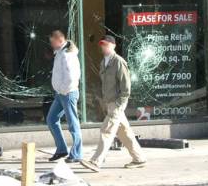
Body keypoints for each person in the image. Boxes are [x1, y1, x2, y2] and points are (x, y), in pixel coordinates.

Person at [80, 35, 146, 172]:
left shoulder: (118, 62)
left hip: (117, 104)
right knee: (124, 132)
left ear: (113, 46)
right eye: (102, 45)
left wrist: (119, 104)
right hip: (109, 103)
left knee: (107, 130)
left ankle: (96, 161)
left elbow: (126, 88)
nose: (104, 47)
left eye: (106, 44)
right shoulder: (103, 62)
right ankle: (139, 158)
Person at [46, 29, 83, 163]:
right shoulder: (60, 53)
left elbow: (72, 77)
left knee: (73, 124)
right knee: (51, 119)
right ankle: (62, 149)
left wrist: (63, 89)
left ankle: (77, 154)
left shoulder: (67, 54)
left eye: (52, 41)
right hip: (61, 94)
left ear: (59, 40)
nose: (51, 44)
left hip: (68, 93)